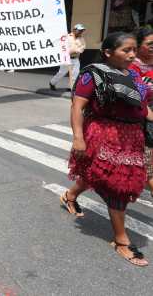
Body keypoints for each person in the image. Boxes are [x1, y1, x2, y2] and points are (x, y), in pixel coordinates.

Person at [62, 32, 152, 267]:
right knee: (116, 186)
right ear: (108, 52)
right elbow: (77, 106)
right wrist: (78, 138)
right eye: (126, 51)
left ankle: (69, 195)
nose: (132, 55)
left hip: (132, 137)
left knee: (99, 177)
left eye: (134, 49)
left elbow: (142, 109)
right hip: (105, 135)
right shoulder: (93, 73)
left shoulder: (134, 75)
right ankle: (121, 240)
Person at [129, 27, 153, 197]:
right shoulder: (130, 68)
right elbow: (137, 98)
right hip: (139, 121)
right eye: (150, 44)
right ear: (138, 46)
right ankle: (72, 194)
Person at [50, 24, 86, 91]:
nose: (81, 32)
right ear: (74, 30)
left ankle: (71, 87)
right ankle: (52, 83)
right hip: (66, 58)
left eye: (82, 31)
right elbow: (62, 46)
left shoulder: (82, 39)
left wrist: (76, 50)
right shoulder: (67, 37)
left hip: (75, 58)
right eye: (79, 30)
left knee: (75, 74)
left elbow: (82, 47)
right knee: (62, 72)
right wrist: (70, 51)